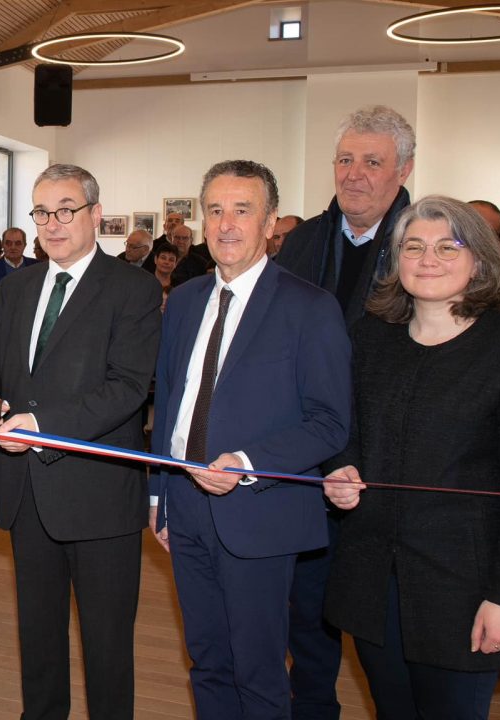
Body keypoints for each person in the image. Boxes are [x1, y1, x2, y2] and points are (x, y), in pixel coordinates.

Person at [323, 196, 500, 718]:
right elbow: (346, 433)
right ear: (396, 258)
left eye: (447, 246)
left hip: (466, 589)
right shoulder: (369, 338)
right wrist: (340, 468)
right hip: (374, 582)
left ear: (479, 258)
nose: (427, 258)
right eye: (414, 246)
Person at [150, 160, 352, 718]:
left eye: (243, 210)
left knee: (259, 668)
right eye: (215, 210)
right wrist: (158, 494)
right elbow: (169, 398)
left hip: (259, 510)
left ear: (270, 225)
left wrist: (246, 461)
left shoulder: (310, 307)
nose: (227, 223)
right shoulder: (185, 300)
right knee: (207, 659)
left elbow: (330, 420)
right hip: (185, 504)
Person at [0, 163, 161, 718]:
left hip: (99, 497)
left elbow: (127, 388)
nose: (52, 224)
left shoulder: (133, 288)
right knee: (39, 642)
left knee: (106, 649)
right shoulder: (17, 286)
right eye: (41, 212)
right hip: (28, 493)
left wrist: (38, 424)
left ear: (95, 215)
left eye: (65, 210)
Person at [274, 104, 416, 720]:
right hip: (306, 458)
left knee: (382, 621)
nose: (355, 174)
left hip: (383, 464)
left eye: (373, 162)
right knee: (307, 609)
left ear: (404, 168)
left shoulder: (425, 243)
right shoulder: (303, 241)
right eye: (345, 159)